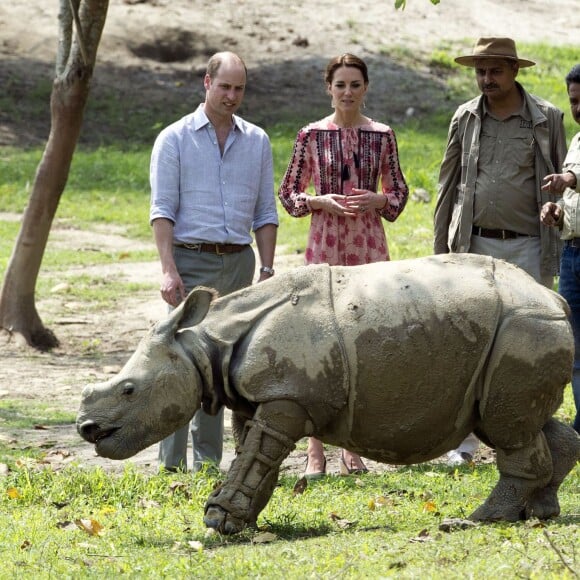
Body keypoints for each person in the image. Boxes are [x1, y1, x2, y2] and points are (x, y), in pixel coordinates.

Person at [434, 38, 568, 465]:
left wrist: (559, 223)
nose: (486, 79)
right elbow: (447, 185)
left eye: (495, 71)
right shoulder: (465, 116)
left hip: (528, 245)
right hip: (473, 244)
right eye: (480, 71)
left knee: (528, 344)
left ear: (514, 70)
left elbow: (566, 181)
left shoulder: (547, 118)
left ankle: (528, 434)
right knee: (467, 340)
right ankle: (466, 443)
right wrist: (441, 251)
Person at [278, 53, 409, 479]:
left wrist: (379, 199)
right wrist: (320, 200)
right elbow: (289, 195)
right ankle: (315, 450)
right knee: (322, 343)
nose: (347, 92)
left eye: (355, 84)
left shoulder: (382, 135)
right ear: (328, 88)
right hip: (326, 243)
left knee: (365, 344)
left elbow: (400, 192)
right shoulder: (311, 136)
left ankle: (353, 446)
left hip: (369, 244)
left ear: (365, 88)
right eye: (340, 85)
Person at [150, 51, 278, 472]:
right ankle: (171, 465)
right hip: (191, 262)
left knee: (221, 368)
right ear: (207, 83)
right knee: (180, 365)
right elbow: (162, 210)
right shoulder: (175, 138)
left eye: (239, 88)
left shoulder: (256, 140)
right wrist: (169, 269)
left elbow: (265, 213)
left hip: (239, 264)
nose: (232, 96)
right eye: (224, 87)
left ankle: (207, 463)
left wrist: (266, 269)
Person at [540, 63, 580, 434]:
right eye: (574, 101)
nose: (579, 108)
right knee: (575, 345)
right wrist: (558, 212)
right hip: (573, 253)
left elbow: (575, 179)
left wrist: (569, 178)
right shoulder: (578, 141)